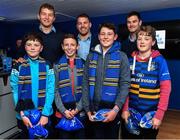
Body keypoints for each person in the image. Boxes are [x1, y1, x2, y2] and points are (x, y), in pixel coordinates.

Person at [121, 25, 171, 139]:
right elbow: (125, 88)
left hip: (151, 116)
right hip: (131, 114)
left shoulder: (160, 61)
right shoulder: (129, 61)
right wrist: (124, 109)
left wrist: (159, 115)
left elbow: (166, 89)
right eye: (139, 38)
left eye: (147, 39)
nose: (142, 42)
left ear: (153, 42)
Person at [82, 23, 131, 139]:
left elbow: (125, 85)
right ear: (98, 36)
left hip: (112, 109)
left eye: (109, 34)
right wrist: (87, 109)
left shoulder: (122, 56)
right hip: (93, 109)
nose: (105, 37)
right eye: (102, 34)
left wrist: (116, 109)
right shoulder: (91, 56)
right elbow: (85, 83)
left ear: (115, 37)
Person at [10, 32, 55, 138]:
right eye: (29, 45)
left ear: (41, 48)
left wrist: (45, 114)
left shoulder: (48, 65)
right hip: (24, 115)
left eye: (36, 45)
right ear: (25, 47)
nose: (32, 48)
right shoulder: (18, 66)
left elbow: (50, 90)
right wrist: (23, 115)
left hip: (44, 113)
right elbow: (15, 91)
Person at [54, 34, 85, 139]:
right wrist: (64, 110)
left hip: (80, 112)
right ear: (62, 46)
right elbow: (55, 90)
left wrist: (77, 109)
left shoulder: (84, 64)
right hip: (62, 112)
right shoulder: (56, 65)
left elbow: (86, 89)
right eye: (66, 45)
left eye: (72, 44)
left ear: (77, 46)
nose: (69, 47)